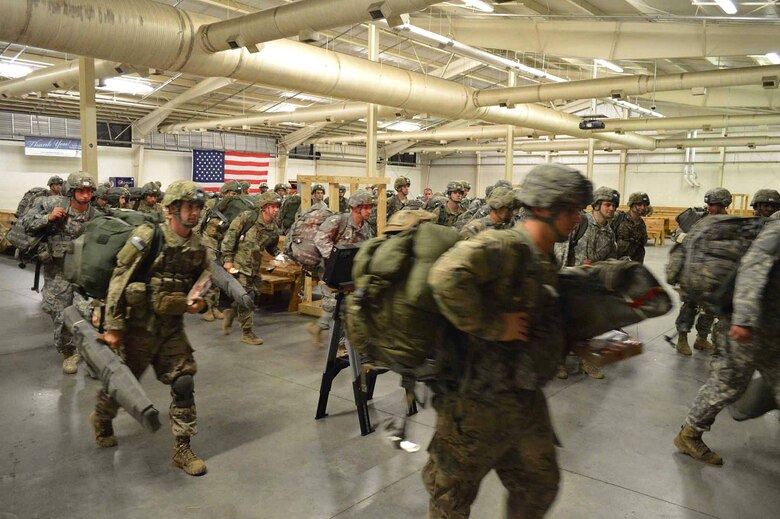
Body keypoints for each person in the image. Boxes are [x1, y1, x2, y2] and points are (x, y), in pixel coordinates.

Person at [424, 163, 593, 519]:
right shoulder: (502, 245)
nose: (578, 218)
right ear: (547, 209)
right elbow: (444, 277)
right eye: (572, 209)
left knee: (539, 485)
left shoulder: (543, 255)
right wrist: (494, 326)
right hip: (474, 403)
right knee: (451, 498)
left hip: (523, 399)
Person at [93, 181, 209, 476]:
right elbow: (119, 279)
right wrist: (114, 326)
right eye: (189, 207)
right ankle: (102, 418)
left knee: (183, 383)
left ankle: (182, 447)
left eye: (198, 207)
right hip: (136, 328)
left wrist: (202, 305)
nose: (195, 213)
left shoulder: (198, 246)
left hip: (171, 328)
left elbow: (206, 285)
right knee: (122, 386)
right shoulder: (148, 236)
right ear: (171, 209)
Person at [674, 212, 780, 465]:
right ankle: (690, 434)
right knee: (728, 383)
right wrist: (743, 319)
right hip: (751, 328)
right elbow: (754, 264)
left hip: (773, 329)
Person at [20, 171, 96, 374]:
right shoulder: (53, 204)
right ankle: (69, 353)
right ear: (72, 191)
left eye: (89, 191)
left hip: (83, 271)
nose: (86, 195)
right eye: (81, 190)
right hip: (57, 271)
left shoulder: (94, 214)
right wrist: (48, 218)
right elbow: (26, 224)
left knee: (89, 314)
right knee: (61, 315)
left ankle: (92, 356)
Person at [305, 191, 374, 346]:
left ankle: (318, 328)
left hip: (350, 273)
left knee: (342, 305)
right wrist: (336, 258)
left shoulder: (365, 228)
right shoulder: (338, 221)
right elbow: (320, 238)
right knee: (337, 305)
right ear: (356, 208)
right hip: (331, 272)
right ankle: (340, 344)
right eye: (367, 207)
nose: (370, 211)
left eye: (371, 207)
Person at [674, 188, 732, 356]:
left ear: (723, 205)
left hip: (716, 272)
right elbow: (676, 234)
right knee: (690, 304)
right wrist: (687, 238)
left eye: (712, 204)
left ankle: (701, 338)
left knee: (710, 307)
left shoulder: (730, 223)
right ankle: (682, 338)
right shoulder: (698, 218)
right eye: (708, 203)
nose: (708, 207)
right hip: (693, 270)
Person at [220, 191, 283, 345]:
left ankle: (231, 312)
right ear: (264, 207)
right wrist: (227, 260)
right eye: (273, 206)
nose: (276, 210)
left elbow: (271, 247)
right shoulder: (248, 218)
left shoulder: (273, 227)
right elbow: (230, 237)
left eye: (277, 207)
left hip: (254, 267)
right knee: (246, 297)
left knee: (255, 295)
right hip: (239, 265)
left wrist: (280, 256)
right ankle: (247, 333)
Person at [612, 192, 650, 263]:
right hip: (616, 262)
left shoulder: (642, 225)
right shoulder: (618, 218)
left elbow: (642, 245)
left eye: (645, 205)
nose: (643, 207)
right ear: (631, 205)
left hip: (634, 263)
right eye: (639, 205)